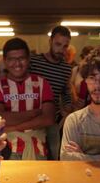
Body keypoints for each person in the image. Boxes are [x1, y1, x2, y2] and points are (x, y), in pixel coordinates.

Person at [0, 38, 55, 160]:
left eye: (21, 58)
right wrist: (33, 113)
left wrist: (13, 127)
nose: (17, 64)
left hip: (39, 146)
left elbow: (48, 118)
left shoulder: (42, 83)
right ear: (5, 61)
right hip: (7, 149)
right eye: (12, 59)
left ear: (28, 59)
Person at [30, 25, 74, 160]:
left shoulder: (66, 69)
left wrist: (68, 108)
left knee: (55, 157)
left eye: (65, 46)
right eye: (58, 44)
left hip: (52, 121)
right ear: (50, 41)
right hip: (32, 120)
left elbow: (65, 93)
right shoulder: (34, 62)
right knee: (34, 157)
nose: (61, 49)